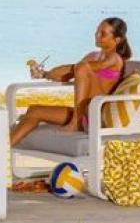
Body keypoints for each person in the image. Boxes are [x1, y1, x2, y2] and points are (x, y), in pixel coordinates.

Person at [8, 17, 132, 146]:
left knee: (82, 67)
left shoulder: (115, 58)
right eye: (97, 31)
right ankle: (0, 152)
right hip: (83, 114)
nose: (97, 35)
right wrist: (44, 74)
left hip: (96, 117)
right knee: (34, 111)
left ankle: (75, 123)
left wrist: (72, 69)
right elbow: (68, 73)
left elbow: (81, 69)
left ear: (117, 40)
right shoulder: (93, 56)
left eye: (103, 33)